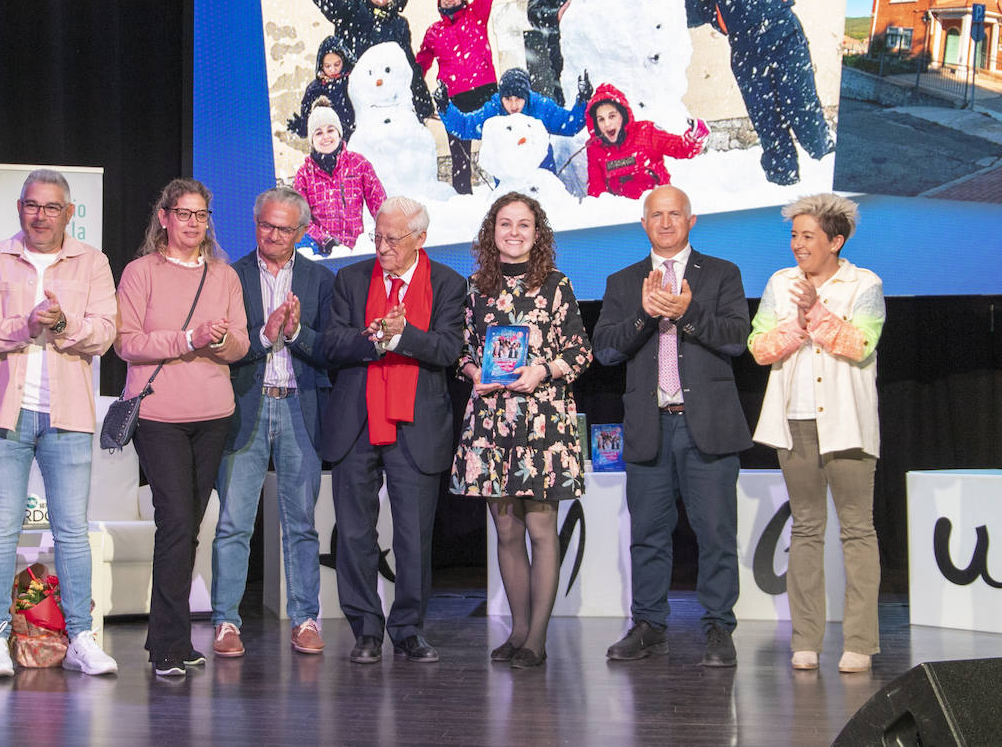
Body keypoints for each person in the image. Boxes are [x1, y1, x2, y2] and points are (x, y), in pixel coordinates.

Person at [0, 169, 119, 679]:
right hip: (5, 412)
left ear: (69, 213)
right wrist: (22, 326)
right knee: (0, 532)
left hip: (66, 414)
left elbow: (106, 332)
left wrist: (65, 325)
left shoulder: (92, 263)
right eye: (32, 205)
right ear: (19, 208)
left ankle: (81, 638)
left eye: (52, 207)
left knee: (71, 531)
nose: (41, 215)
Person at [592, 185, 752, 667]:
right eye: (656, 215)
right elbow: (605, 349)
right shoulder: (624, 282)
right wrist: (645, 314)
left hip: (707, 427)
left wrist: (688, 313)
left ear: (691, 220)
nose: (665, 222)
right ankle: (649, 625)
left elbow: (737, 340)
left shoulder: (722, 274)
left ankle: (719, 628)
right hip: (649, 426)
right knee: (648, 534)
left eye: (674, 214)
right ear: (643, 224)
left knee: (716, 533)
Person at [319, 196, 466, 664]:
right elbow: (330, 344)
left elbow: (447, 349)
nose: (382, 247)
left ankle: (407, 629)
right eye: (377, 236)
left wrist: (403, 336)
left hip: (416, 426)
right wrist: (374, 338)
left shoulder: (447, 283)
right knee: (355, 533)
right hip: (356, 421)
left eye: (392, 239)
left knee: (412, 536)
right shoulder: (350, 278)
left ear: (420, 239)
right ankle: (365, 629)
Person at [115, 177, 250, 677]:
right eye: (184, 213)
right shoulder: (139, 272)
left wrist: (217, 341)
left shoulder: (224, 276)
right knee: (175, 522)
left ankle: (169, 638)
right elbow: (126, 343)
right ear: (164, 217)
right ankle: (167, 645)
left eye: (201, 215)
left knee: (189, 525)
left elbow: (240, 344)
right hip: (158, 416)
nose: (193, 223)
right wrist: (187, 337)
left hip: (213, 414)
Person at [451, 193, 592, 669]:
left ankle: (537, 637)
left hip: (542, 422)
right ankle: (516, 629)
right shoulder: (475, 288)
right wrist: (474, 374)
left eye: (524, 225)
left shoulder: (556, 285)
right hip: (492, 422)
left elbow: (580, 352)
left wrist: (544, 370)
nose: (514, 232)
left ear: (538, 233)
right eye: (505, 224)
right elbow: (461, 351)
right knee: (506, 531)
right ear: (492, 232)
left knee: (540, 528)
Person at [748, 194, 884, 674]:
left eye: (808, 236)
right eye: (794, 235)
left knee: (856, 529)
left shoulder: (864, 283)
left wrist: (818, 315)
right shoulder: (779, 283)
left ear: (836, 240)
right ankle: (805, 638)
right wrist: (797, 325)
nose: (798, 245)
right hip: (795, 420)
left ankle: (860, 643)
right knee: (806, 528)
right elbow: (760, 347)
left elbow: (861, 344)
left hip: (847, 422)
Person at [211, 187, 335, 658]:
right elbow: (224, 344)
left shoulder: (321, 279)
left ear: (302, 231)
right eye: (265, 225)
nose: (273, 235)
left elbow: (329, 349)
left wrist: (297, 333)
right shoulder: (230, 275)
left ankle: (304, 618)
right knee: (234, 523)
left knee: (301, 523)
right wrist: (264, 337)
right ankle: (226, 621)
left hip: (300, 407)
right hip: (247, 403)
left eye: (284, 228)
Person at [684, 0, 831, 186]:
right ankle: (783, 182)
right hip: (746, 56)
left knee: (801, 107)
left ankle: (825, 162)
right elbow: (679, 14)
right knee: (768, 123)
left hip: (786, 40)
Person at [416, 0, 504, 194]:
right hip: (453, 98)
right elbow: (419, 66)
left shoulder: (476, 15)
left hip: (486, 92)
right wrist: (414, 92)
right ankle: (463, 201)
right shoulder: (433, 32)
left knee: (500, 145)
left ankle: (505, 191)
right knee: (459, 159)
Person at [296, 0, 436, 121]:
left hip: (383, 100)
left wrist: (423, 103)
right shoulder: (353, 9)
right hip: (350, 98)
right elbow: (332, 2)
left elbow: (408, 65)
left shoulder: (399, 24)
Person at [437, 67, 590, 184]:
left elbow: (569, 124)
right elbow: (464, 126)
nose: (513, 104)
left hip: (541, 180)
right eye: (508, 99)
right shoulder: (493, 111)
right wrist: (445, 107)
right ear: (501, 97)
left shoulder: (540, 107)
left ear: (527, 96)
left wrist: (583, 101)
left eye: (519, 98)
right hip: (508, 186)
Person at [292, 97, 386, 256]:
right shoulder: (304, 175)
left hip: (355, 252)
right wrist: (325, 240)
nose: (325, 137)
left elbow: (381, 205)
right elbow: (300, 219)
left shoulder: (358, 164)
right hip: (321, 254)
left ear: (339, 133)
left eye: (330, 130)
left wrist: (387, 231)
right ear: (312, 140)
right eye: (318, 133)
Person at [584, 83, 707, 199]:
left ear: (623, 115)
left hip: (658, 204)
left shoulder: (646, 132)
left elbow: (680, 148)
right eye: (601, 119)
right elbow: (597, 190)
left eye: (612, 116)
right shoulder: (595, 148)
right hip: (622, 212)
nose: (607, 124)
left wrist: (694, 138)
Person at [286, 36, 356, 142]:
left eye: (337, 64)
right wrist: (301, 127)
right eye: (327, 66)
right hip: (327, 145)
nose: (333, 69)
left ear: (344, 60)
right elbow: (310, 122)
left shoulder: (353, 82)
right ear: (321, 65)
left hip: (354, 141)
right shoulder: (314, 90)